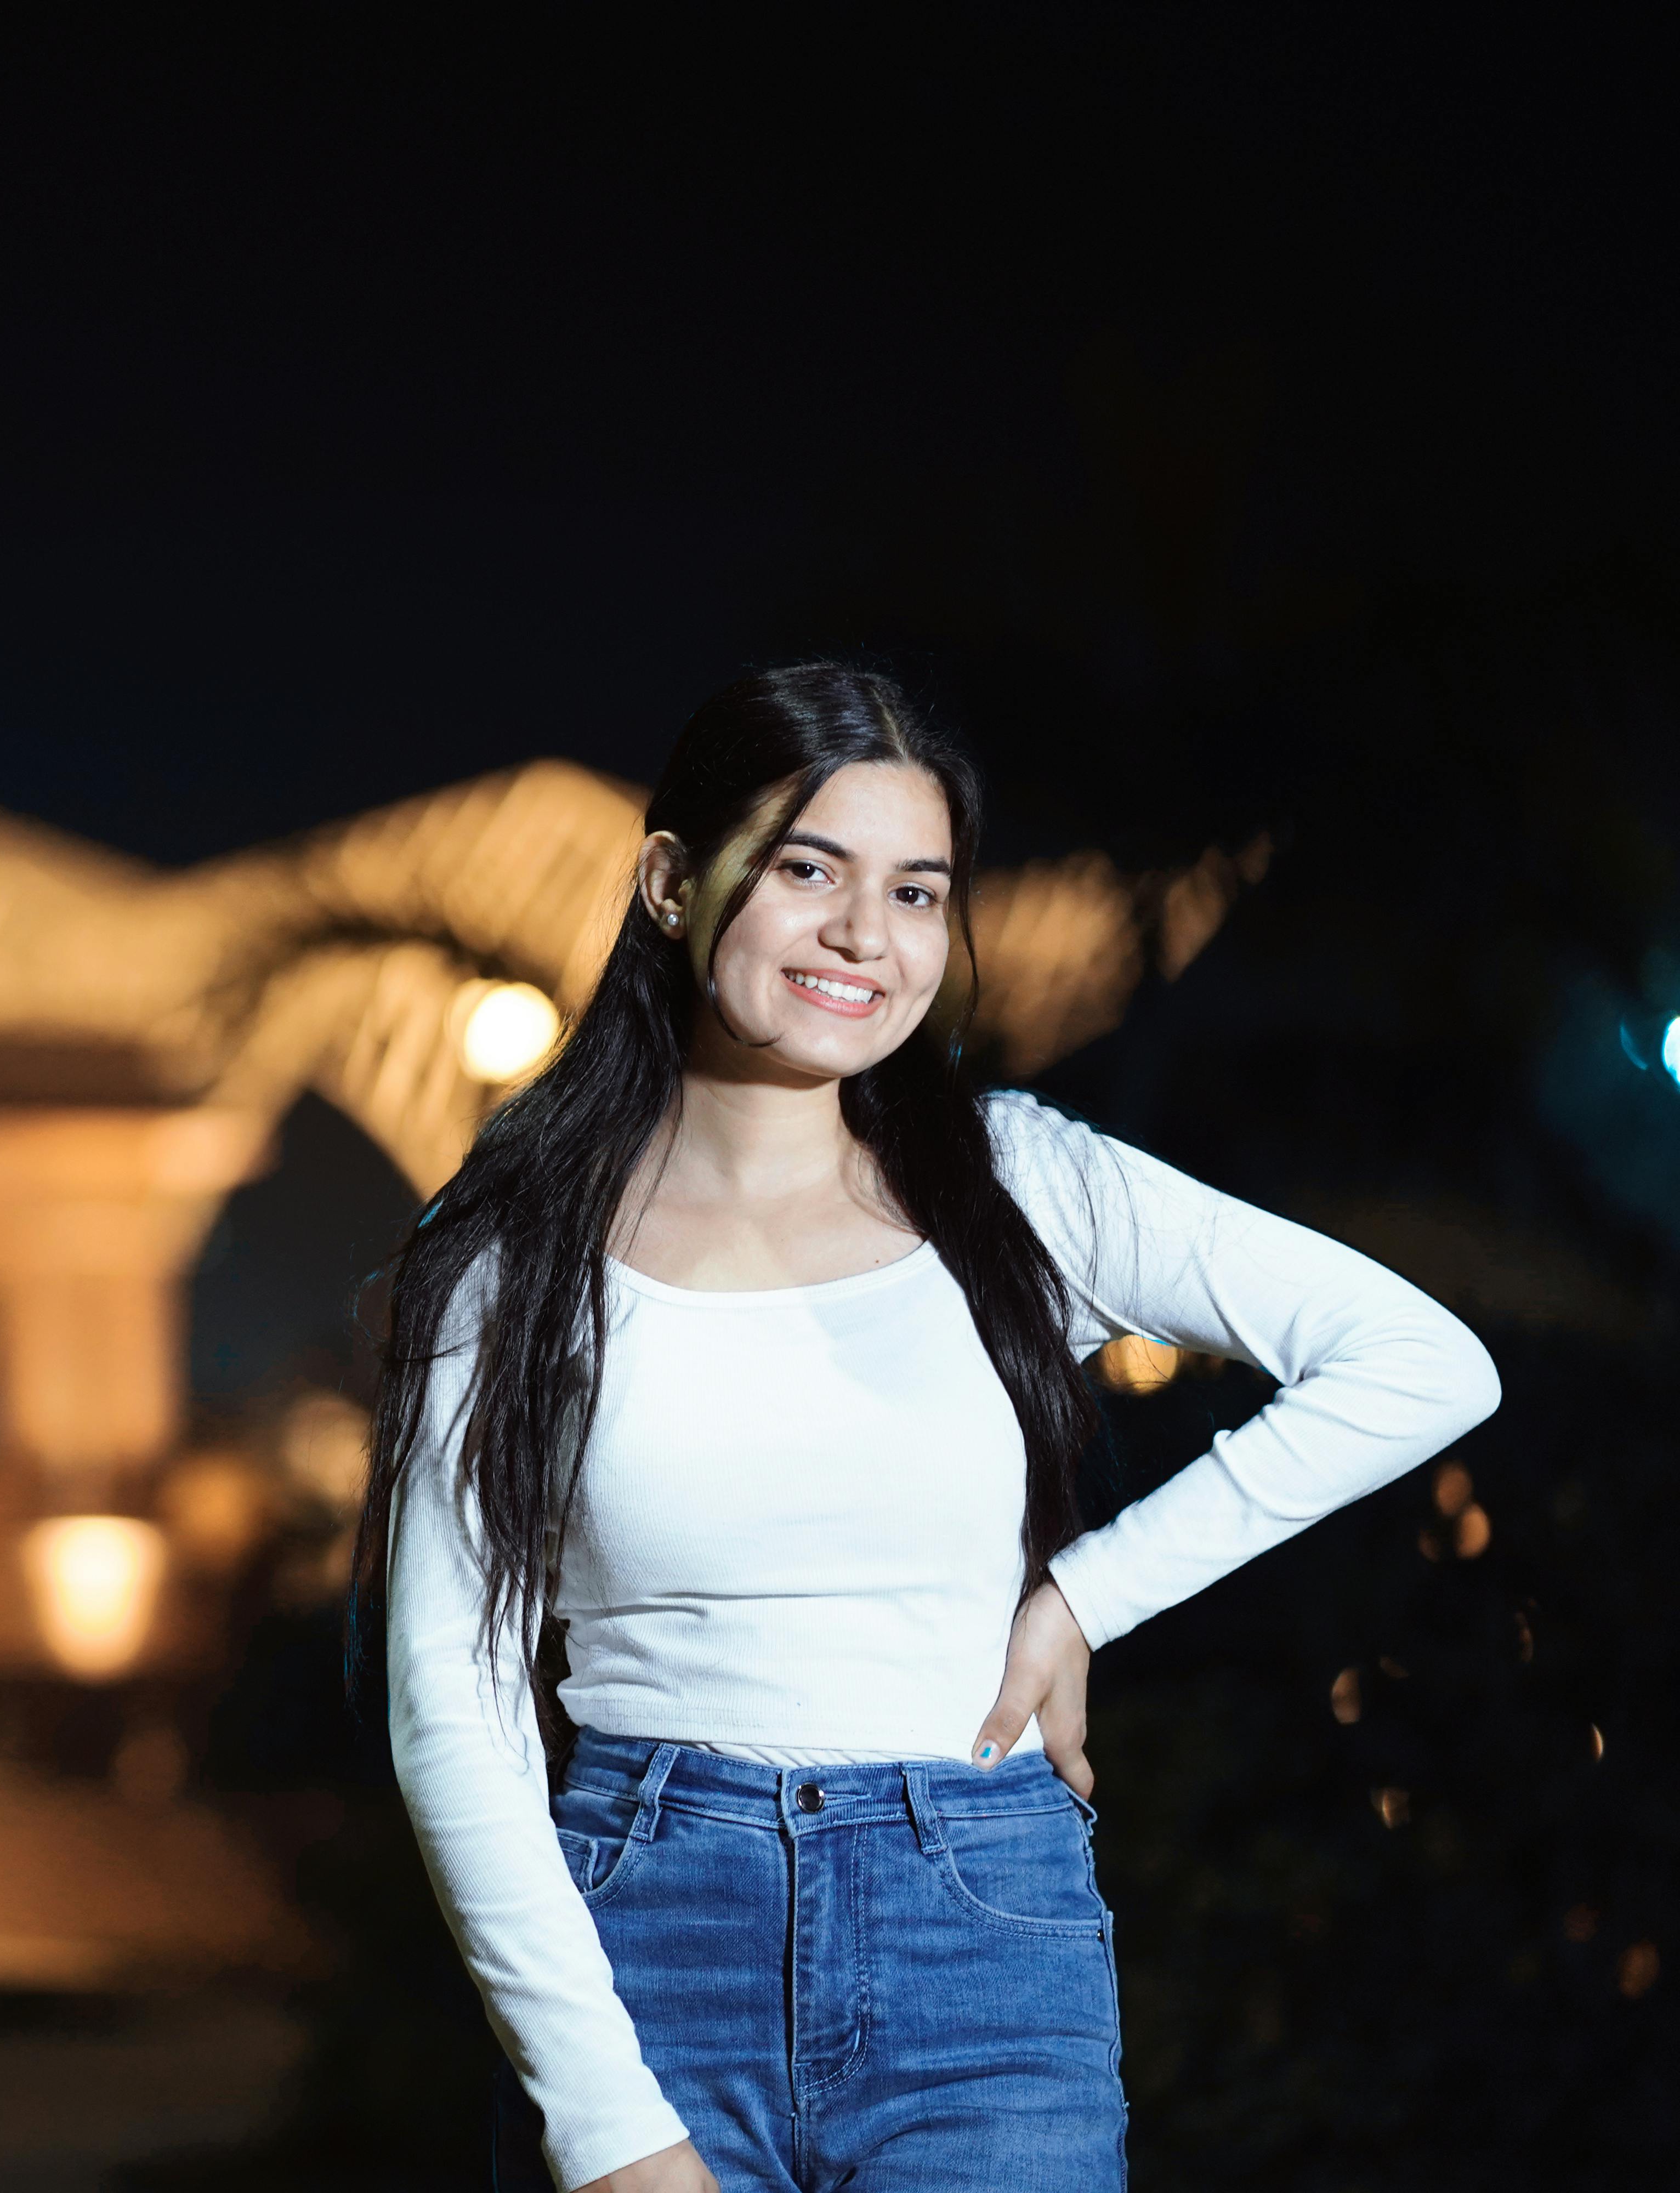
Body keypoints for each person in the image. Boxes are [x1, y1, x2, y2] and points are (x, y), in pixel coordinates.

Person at [361, 663, 1499, 2193]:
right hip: (644, 1924)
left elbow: (1417, 1361)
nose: (863, 938)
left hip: (979, 1935)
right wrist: (608, 2121)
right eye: (807, 870)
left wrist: (1087, 1593)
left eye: (917, 890)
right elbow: (455, 1696)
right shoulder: (511, 1249)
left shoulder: (1022, 1187)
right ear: (671, 883)